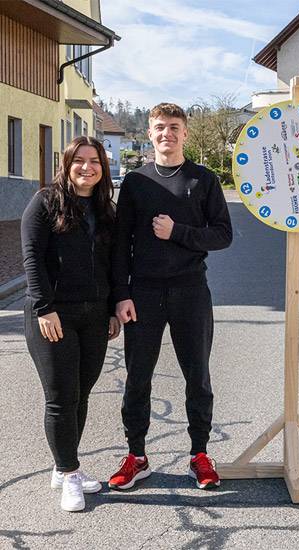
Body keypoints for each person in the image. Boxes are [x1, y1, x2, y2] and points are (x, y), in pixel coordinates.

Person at [108, 103, 233, 491]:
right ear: (150, 134)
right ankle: (137, 456)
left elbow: (223, 235)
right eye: (160, 127)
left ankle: (199, 454)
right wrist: (121, 295)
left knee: (197, 374)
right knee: (137, 377)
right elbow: (119, 245)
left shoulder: (204, 180)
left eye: (174, 127)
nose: (167, 134)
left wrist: (178, 231)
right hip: (143, 293)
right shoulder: (135, 183)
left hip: (190, 291)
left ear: (185, 133)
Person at [22, 137, 122, 511]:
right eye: (78, 161)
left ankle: (63, 465)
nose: (86, 167)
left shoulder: (105, 209)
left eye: (94, 161)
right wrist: (44, 308)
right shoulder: (45, 202)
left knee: (81, 392)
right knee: (62, 397)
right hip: (53, 315)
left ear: (103, 167)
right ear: (66, 165)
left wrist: (113, 308)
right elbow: (31, 257)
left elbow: (112, 264)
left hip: (94, 314)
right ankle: (69, 473)